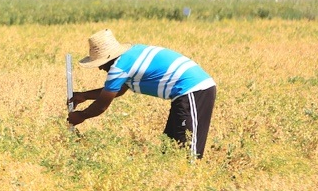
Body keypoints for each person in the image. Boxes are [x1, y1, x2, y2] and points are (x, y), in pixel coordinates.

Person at [68, 29, 216, 158]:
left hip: (194, 90)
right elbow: (119, 90)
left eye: (100, 64)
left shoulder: (119, 67)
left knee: (187, 150)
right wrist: (84, 96)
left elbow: (102, 105)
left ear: (108, 58)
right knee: (171, 146)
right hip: (184, 93)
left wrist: (80, 116)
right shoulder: (130, 54)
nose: (100, 68)